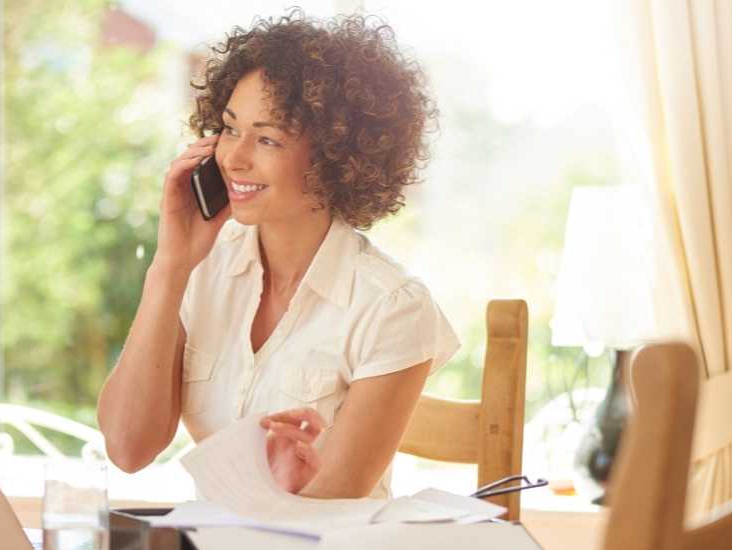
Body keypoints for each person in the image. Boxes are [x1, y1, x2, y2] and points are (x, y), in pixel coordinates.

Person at [97, 10, 460, 500]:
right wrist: (170, 266)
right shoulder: (203, 268)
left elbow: (335, 499)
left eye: (267, 138)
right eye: (229, 129)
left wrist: (288, 482)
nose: (234, 158)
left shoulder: (393, 307)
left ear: (336, 156)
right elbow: (128, 448)